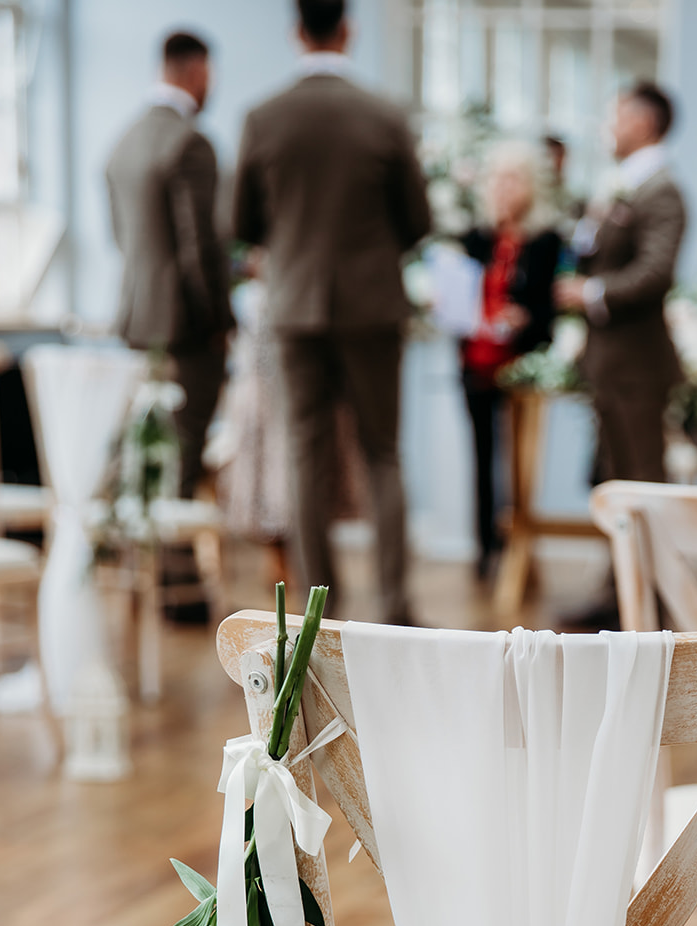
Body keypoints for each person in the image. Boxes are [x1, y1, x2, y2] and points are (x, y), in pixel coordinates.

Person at [233, 0, 431, 623]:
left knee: (304, 456)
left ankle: (324, 616)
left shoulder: (263, 118)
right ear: (349, 29)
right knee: (383, 454)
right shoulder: (385, 114)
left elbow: (239, 223)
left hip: (293, 308)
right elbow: (419, 220)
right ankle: (396, 607)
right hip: (373, 307)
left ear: (297, 33)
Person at [106, 31, 234, 500]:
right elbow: (200, 250)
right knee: (181, 452)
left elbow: (120, 237)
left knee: (140, 448)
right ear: (196, 70)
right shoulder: (191, 143)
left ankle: (133, 560)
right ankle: (173, 567)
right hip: (188, 331)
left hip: (138, 324)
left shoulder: (124, 142)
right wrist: (221, 321)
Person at [556, 82, 686, 487]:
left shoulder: (661, 191)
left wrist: (591, 292)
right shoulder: (618, 185)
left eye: (617, 116)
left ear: (643, 123)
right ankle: (620, 554)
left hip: (637, 365)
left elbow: (655, 272)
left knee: (642, 481)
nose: (608, 127)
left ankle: (644, 555)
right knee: (613, 482)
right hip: (607, 361)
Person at [460, 144, 560, 580]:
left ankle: (521, 547)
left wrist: (524, 317)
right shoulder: (474, 239)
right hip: (476, 360)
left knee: (520, 462)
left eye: (513, 179)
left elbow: (550, 308)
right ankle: (487, 547)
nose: (503, 188)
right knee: (480, 456)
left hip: (521, 365)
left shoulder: (546, 241)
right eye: (497, 179)